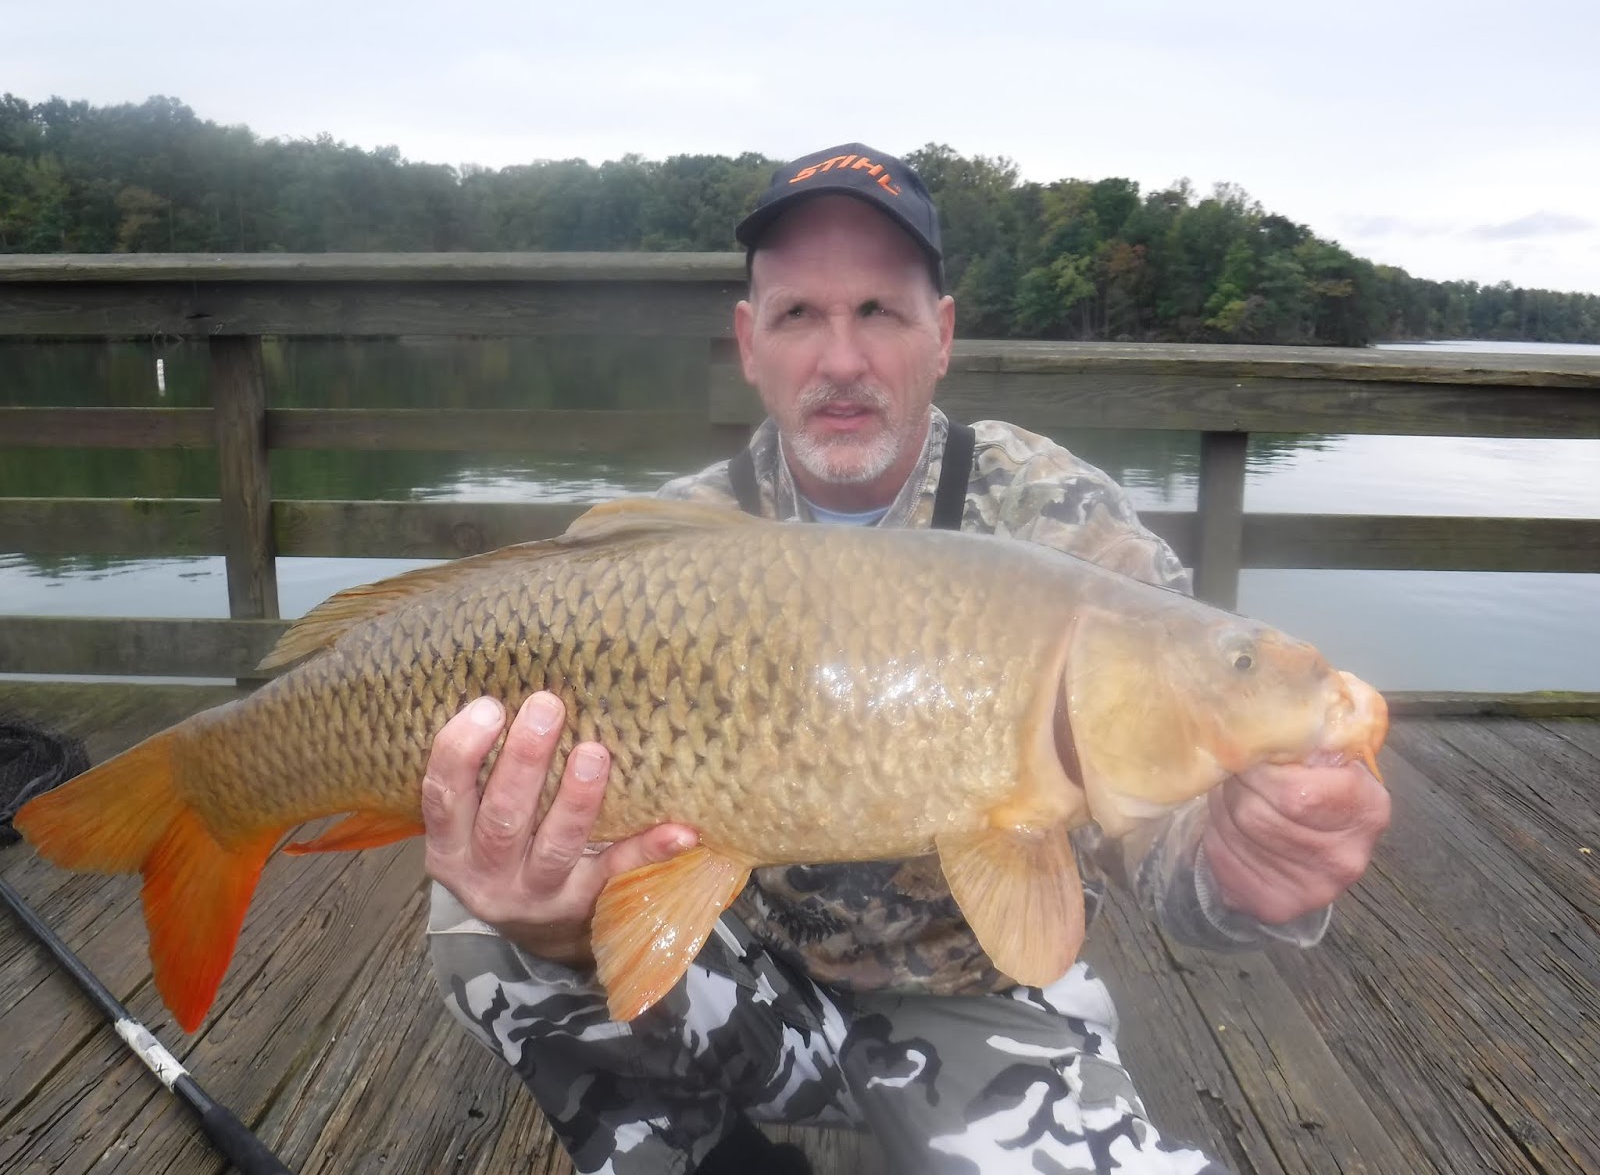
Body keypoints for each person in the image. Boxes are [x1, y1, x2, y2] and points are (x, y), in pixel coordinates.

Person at [421, 143, 1393, 1175]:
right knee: (479, 915)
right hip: (735, 985)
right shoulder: (674, 544)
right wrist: (560, 921)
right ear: (749, 343)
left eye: (880, 310)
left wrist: (1245, 867)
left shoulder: (1058, 527)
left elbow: (1171, 843)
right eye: (800, 315)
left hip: (976, 1011)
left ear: (943, 334)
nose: (841, 359)